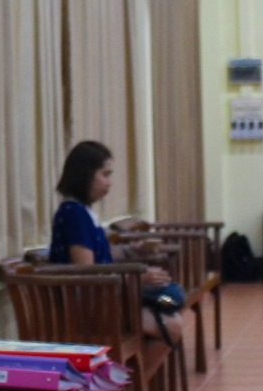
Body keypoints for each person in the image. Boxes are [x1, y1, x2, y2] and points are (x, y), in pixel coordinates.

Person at [48, 140, 186, 344]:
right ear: (85, 175)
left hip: (104, 297)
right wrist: (136, 280)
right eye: (105, 175)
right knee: (172, 319)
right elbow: (87, 273)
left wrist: (132, 251)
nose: (109, 183)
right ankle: (133, 347)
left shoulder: (81, 211)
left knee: (172, 296)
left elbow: (99, 254)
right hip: (89, 307)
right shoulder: (74, 214)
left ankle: (155, 310)